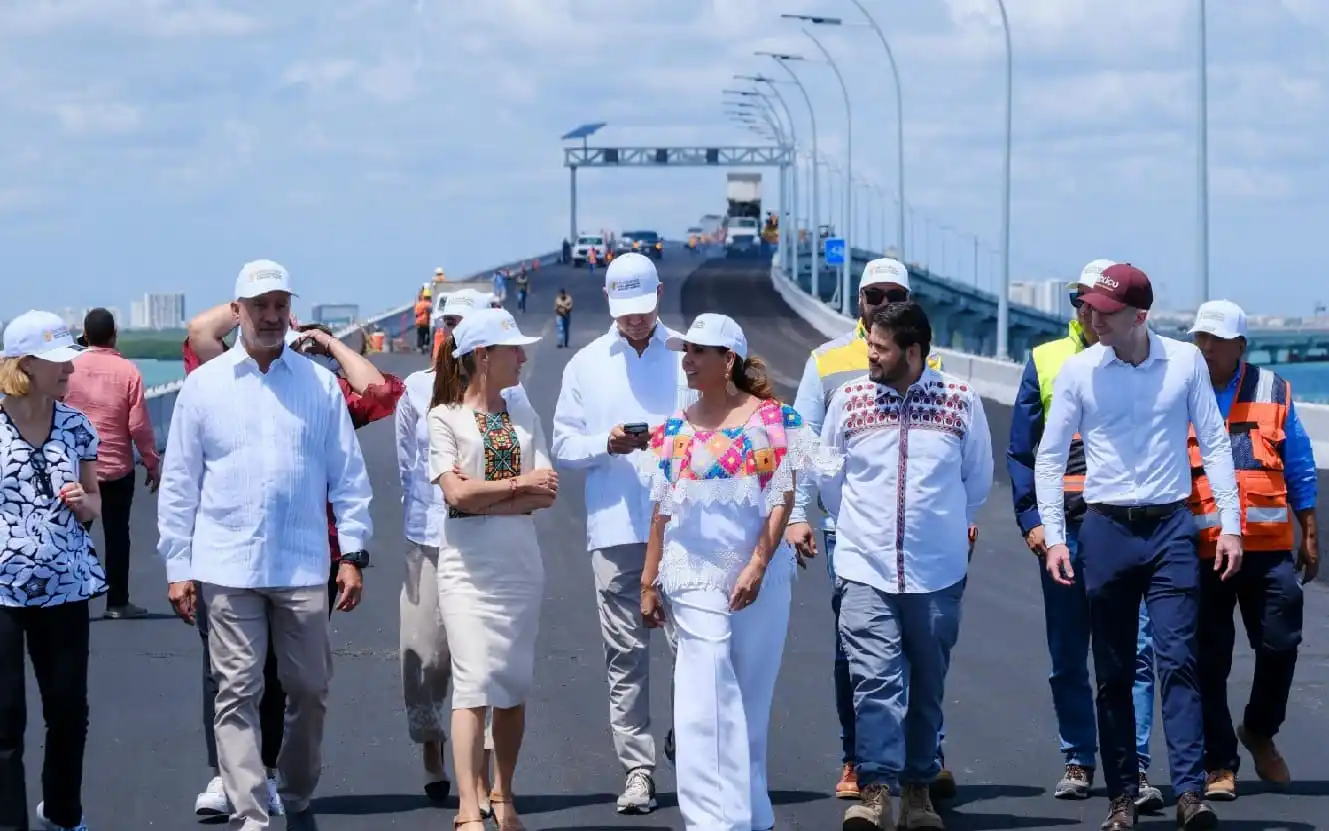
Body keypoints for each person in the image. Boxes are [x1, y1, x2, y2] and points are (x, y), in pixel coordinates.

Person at [158, 259, 374, 831]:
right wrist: (178, 567)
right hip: (226, 566)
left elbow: (347, 476)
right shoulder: (204, 388)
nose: (273, 316)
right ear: (238, 313)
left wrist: (352, 554)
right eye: (261, 307)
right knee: (237, 688)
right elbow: (180, 484)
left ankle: (296, 788)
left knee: (309, 687)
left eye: (280, 305)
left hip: (303, 565)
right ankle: (251, 809)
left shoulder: (319, 385)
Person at [1035, 265, 1242, 831]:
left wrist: (1231, 524)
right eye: (1090, 308)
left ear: (1139, 316)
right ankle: (1122, 797)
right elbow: (1050, 459)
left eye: (1105, 310)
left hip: (1172, 527)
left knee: (1179, 660)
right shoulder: (1079, 371)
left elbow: (1216, 441)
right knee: (1114, 669)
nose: (1093, 317)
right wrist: (1056, 536)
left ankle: (1190, 793)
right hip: (1105, 530)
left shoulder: (1184, 362)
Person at [785, 257, 958, 801]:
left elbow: (967, 467)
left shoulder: (934, 362)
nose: (881, 304)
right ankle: (857, 758)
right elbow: (807, 445)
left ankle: (924, 760)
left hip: (924, 537)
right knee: (858, 652)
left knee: (922, 651)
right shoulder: (828, 360)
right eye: (873, 296)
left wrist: (953, 517)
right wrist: (800, 515)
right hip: (852, 531)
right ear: (858, 301)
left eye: (893, 295)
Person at [815, 301, 992, 831]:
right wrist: (859, 532)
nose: (869, 353)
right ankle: (875, 790)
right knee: (873, 682)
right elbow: (830, 477)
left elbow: (976, 480)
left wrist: (937, 533)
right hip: (864, 567)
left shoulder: (960, 401)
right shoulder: (849, 400)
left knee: (926, 684)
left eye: (880, 347)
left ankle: (918, 790)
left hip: (936, 573)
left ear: (912, 351)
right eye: (869, 342)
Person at [638, 314, 818, 831]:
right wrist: (648, 583)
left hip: (761, 575)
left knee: (748, 703)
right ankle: (711, 822)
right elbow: (662, 510)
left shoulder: (771, 420)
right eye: (685, 350)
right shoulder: (676, 428)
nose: (687, 360)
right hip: (693, 573)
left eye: (698, 351)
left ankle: (749, 814)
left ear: (728, 360)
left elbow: (781, 499)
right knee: (705, 690)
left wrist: (758, 565)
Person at [1006, 260, 1163, 808]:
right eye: (1080, 299)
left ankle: (1137, 766)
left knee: (1134, 653)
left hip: (1123, 528)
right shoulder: (1048, 360)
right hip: (1067, 530)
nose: (1087, 310)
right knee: (1070, 652)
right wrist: (1035, 525)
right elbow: (1022, 452)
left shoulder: (1143, 356)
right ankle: (1079, 756)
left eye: (1096, 301)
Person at [551, 252, 690, 815]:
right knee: (625, 656)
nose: (636, 320)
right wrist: (605, 443)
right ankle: (638, 768)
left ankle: (692, 736)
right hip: (615, 528)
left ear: (660, 293)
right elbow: (563, 446)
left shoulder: (690, 354)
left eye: (645, 309)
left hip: (687, 529)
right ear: (609, 302)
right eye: (626, 311)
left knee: (696, 647)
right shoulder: (585, 364)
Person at [427, 307, 555, 830]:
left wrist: (490, 496)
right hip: (466, 565)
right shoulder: (445, 417)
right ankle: (467, 807)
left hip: (518, 563)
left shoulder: (523, 413)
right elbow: (454, 495)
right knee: (473, 680)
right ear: (483, 356)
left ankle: (504, 795)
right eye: (513, 350)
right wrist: (513, 489)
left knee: (512, 682)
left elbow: (546, 490)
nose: (522, 358)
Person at [1187, 300, 1318, 800]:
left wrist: (1309, 530)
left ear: (1240, 346)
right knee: (1207, 659)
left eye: (1216, 340)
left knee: (1281, 641)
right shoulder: (1181, 391)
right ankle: (1219, 762)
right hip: (1205, 549)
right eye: (1200, 338)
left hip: (1265, 550)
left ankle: (1259, 730)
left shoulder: (1272, 389)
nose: (1206, 348)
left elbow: (1299, 461)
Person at [396, 289, 520, 813]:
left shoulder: (508, 395)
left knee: (487, 656)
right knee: (425, 656)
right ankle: (432, 746)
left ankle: (487, 773)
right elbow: (407, 464)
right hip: (428, 538)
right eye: (447, 323)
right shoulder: (417, 390)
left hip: (487, 538)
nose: (452, 332)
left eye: (464, 323)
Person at [0, 311, 103, 831]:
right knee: (5, 721)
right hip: (2, 592)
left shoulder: (77, 425)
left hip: (66, 584)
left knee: (67, 711)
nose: (70, 370)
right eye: (58, 362)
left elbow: (94, 506)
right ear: (24, 365)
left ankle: (63, 815)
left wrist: (84, 501)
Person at [62, 307, 161, 620]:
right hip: (117, 467)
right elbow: (139, 426)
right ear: (114, 335)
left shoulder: (69, 367)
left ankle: (65, 599)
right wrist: (152, 463)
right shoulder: (129, 372)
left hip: (76, 469)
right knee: (118, 536)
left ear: (85, 335)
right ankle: (117, 602)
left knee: (73, 534)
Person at [415, 288, 433, 353]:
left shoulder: (418, 304)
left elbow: (416, 314)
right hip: (427, 322)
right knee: (428, 334)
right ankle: (425, 345)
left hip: (419, 322)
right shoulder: (429, 304)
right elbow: (431, 312)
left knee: (420, 335)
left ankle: (420, 346)